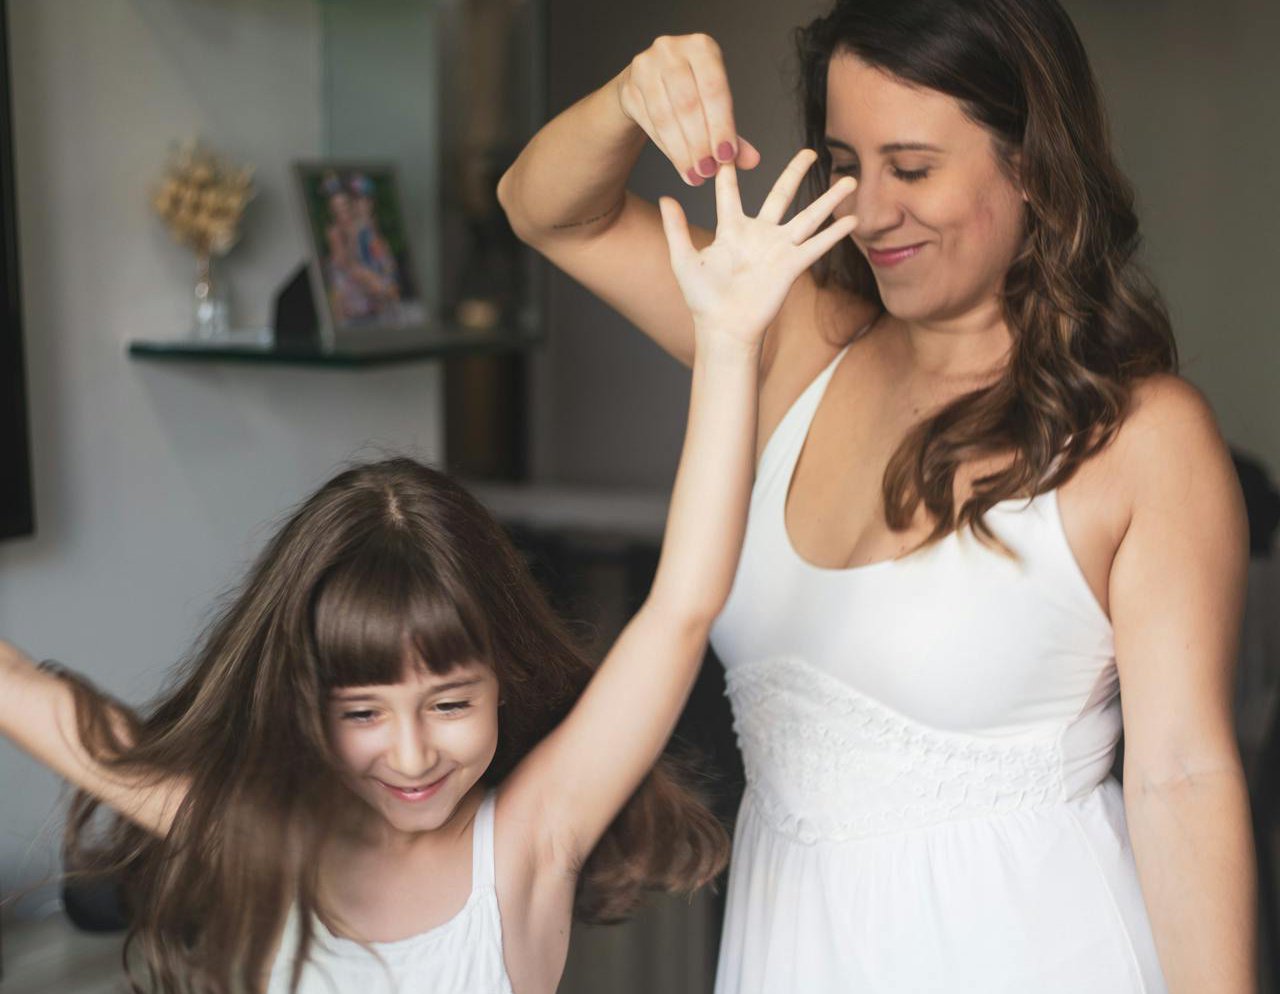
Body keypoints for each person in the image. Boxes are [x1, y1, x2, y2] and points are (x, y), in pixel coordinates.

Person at [497, 0, 1257, 991]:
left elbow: (1180, 779)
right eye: (846, 166)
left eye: (911, 168)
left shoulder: (1141, 438)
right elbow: (546, 207)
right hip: (789, 948)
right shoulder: (787, 340)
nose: (867, 209)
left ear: (1029, 162)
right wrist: (628, 96)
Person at [0, 155, 854, 994]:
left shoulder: (529, 841)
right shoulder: (256, 838)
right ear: (304, 700)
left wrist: (730, 342)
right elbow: (31, 696)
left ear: (499, 686)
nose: (412, 755)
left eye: (449, 703)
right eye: (362, 712)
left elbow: (679, 608)